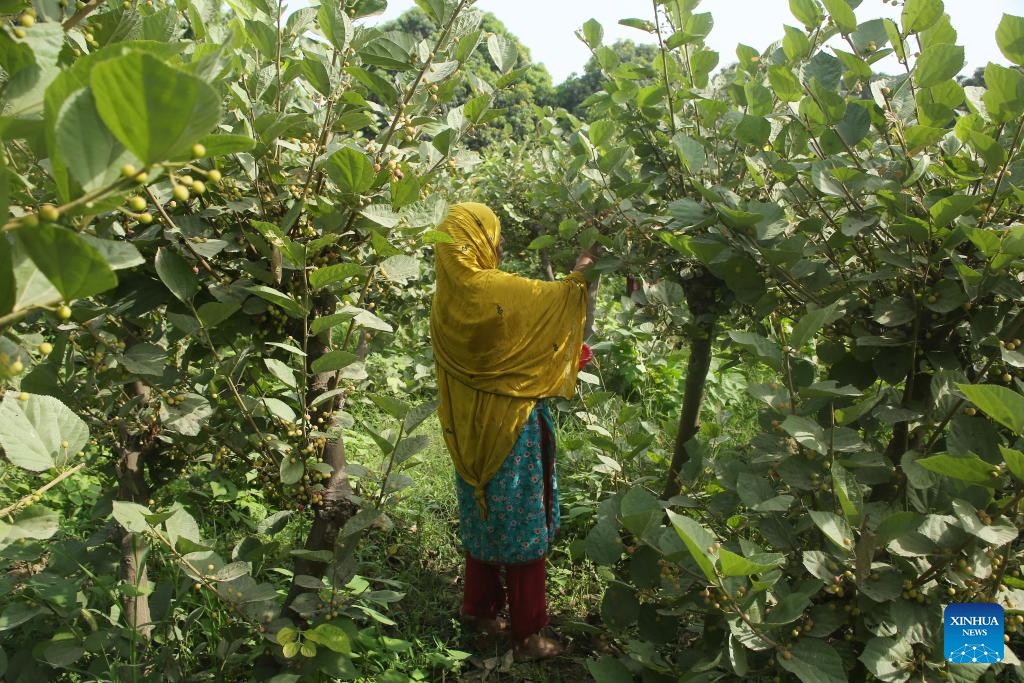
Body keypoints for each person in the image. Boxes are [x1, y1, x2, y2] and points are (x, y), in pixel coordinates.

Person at [429, 202, 596, 660]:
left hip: (466, 432)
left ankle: (479, 610)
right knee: (525, 525)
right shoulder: (494, 289)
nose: (501, 243)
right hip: (511, 429)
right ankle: (529, 634)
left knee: (483, 511)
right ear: (477, 239)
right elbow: (562, 299)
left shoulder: (447, 297)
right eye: (493, 233)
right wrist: (587, 261)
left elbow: (505, 349)